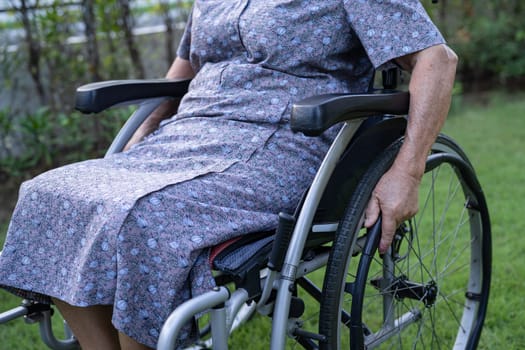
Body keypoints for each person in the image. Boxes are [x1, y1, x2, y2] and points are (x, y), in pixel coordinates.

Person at [0, 1, 457, 349]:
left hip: (287, 142)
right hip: (190, 135)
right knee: (49, 195)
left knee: (147, 217)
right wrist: (146, 130)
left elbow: (437, 60)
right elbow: (189, 66)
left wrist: (407, 172)